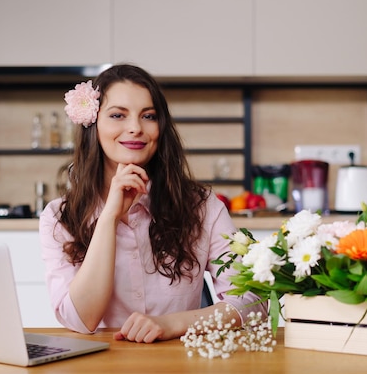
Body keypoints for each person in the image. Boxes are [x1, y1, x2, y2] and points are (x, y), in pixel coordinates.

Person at [39, 64, 266, 343]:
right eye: (117, 115)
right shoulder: (59, 217)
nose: (135, 128)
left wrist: (172, 324)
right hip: (98, 369)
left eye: (148, 116)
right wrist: (109, 216)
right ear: (93, 125)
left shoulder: (203, 206)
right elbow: (81, 320)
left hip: (183, 364)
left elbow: (253, 301)